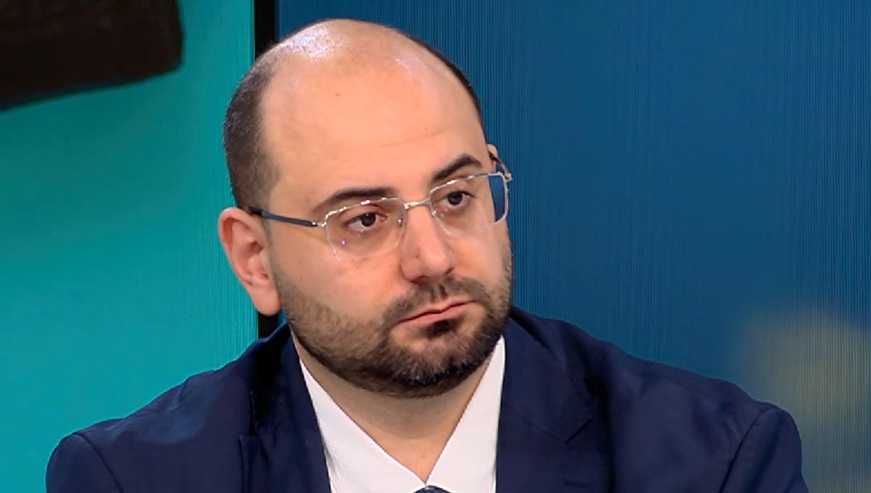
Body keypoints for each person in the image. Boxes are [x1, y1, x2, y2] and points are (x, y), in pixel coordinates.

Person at [46, 18, 808, 493]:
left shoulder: (715, 462)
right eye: (364, 219)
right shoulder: (134, 479)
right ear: (255, 259)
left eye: (454, 196)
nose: (432, 257)